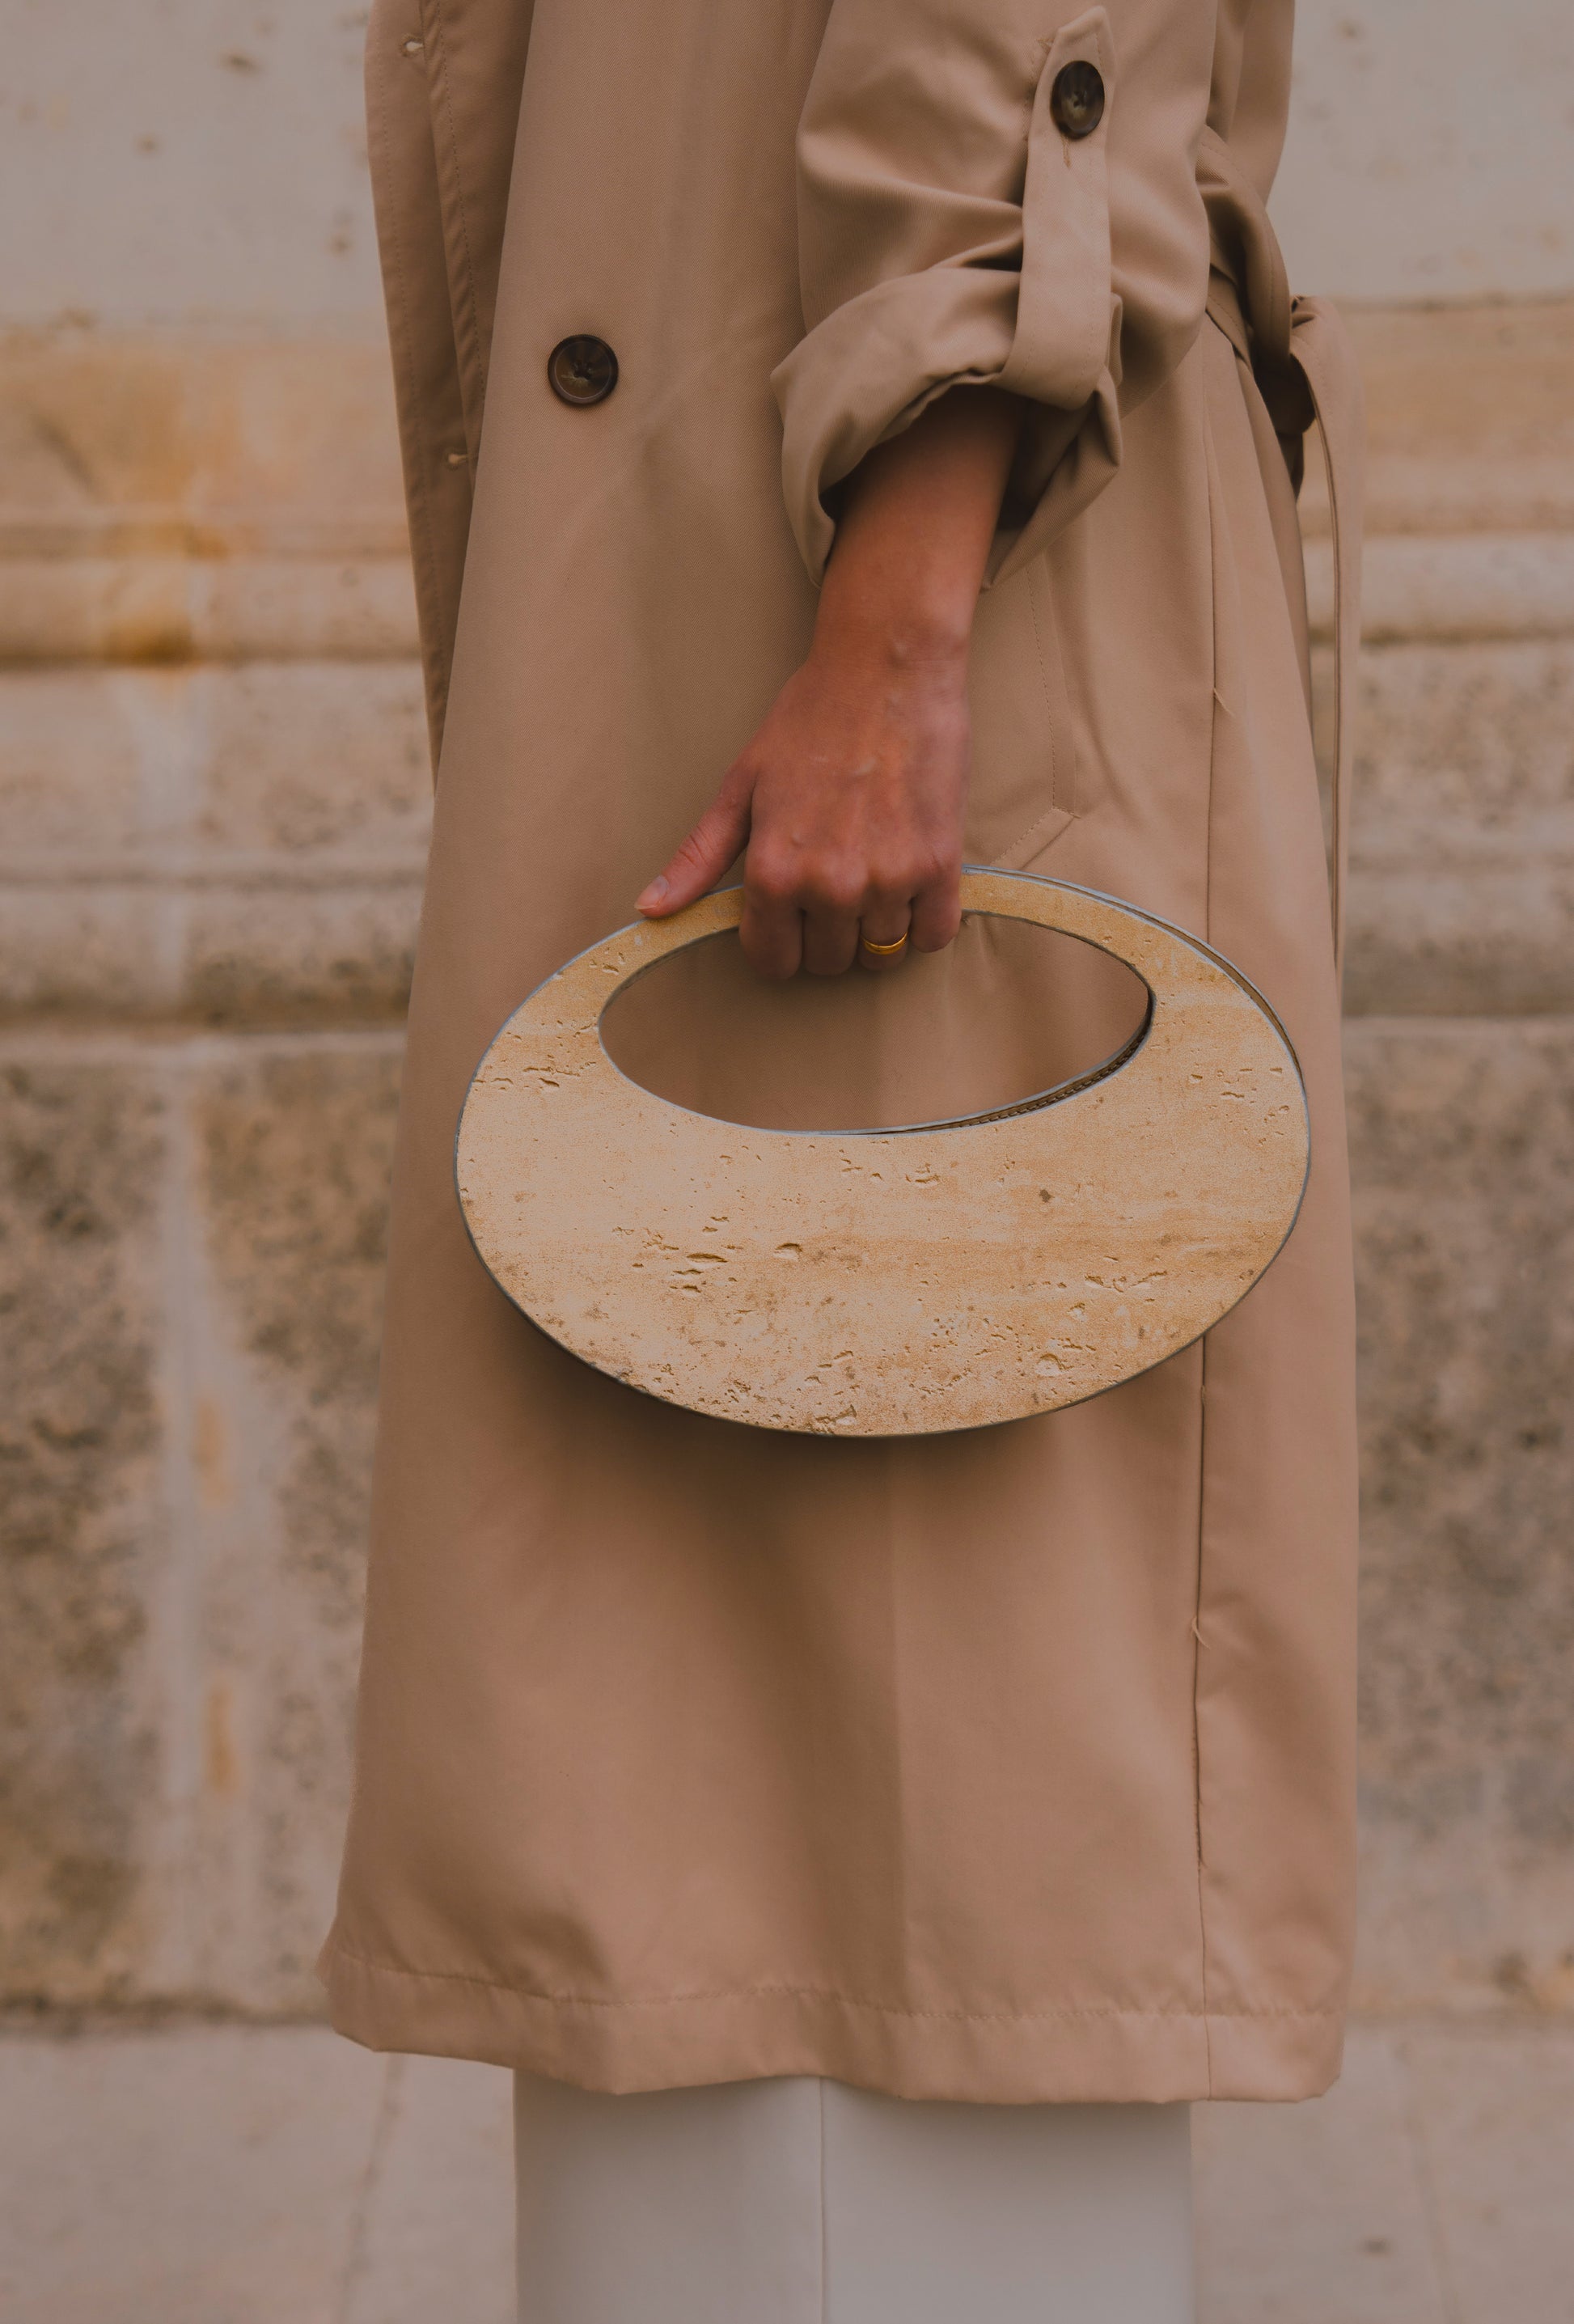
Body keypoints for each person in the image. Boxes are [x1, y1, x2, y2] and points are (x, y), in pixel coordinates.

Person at [322, 0, 1363, 2315]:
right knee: (711, 1847)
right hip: (795, 546)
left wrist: (901, 603)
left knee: (933, 1835)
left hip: (908, 580)